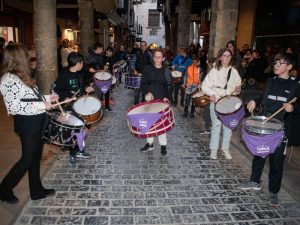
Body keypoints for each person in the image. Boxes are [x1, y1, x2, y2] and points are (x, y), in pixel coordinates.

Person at [239, 53, 299, 207]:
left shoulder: (295, 85)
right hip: (264, 122)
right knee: (259, 153)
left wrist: (294, 108)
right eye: (276, 62)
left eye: (280, 63)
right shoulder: (271, 81)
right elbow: (262, 97)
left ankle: (273, 191)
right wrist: (254, 100)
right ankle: (255, 181)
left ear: (289, 67)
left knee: (277, 161)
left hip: (281, 128)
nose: (276, 65)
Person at [0, 44, 57, 203]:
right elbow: (13, 106)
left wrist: (46, 98)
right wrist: (41, 105)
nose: (28, 57)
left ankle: (36, 190)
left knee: (35, 156)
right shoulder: (9, 79)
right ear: (18, 58)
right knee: (26, 159)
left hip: (37, 119)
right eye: (25, 54)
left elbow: (30, 98)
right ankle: (3, 190)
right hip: (27, 123)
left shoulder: (22, 74)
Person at [52, 52, 93, 167]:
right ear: (78, 63)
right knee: (74, 130)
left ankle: (80, 150)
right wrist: (65, 97)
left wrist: (86, 88)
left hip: (78, 105)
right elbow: (54, 89)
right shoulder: (64, 75)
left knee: (83, 129)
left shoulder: (80, 74)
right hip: (68, 107)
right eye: (82, 62)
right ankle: (73, 154)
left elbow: (80, 88)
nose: (83, 64)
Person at [202, 48, 241, 160]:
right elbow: (205, 86)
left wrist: (238, 90)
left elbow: (237, 88)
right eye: (224, 55)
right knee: (216, 126)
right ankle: (213, 150)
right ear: (220, 57)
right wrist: (211, 94)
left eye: (229, 56)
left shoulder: (234, 72)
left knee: (228, 127)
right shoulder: (214, 71)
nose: (227, 58)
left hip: (230, 102)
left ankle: (225, 149)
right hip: (217, 101)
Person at [140, 49, 172, 156]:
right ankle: (150, 144)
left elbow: (169, 86)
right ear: (153, 58)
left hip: (161, 100)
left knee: (161, 124)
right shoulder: (147, 69)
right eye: (156, 57)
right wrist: (146, 94)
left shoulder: (166, 71)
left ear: (163, 59)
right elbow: (143, 84)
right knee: (149, 123)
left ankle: (163, 145)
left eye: (160, 57)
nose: (157, 59)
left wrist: (167, 97)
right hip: (149, 99)